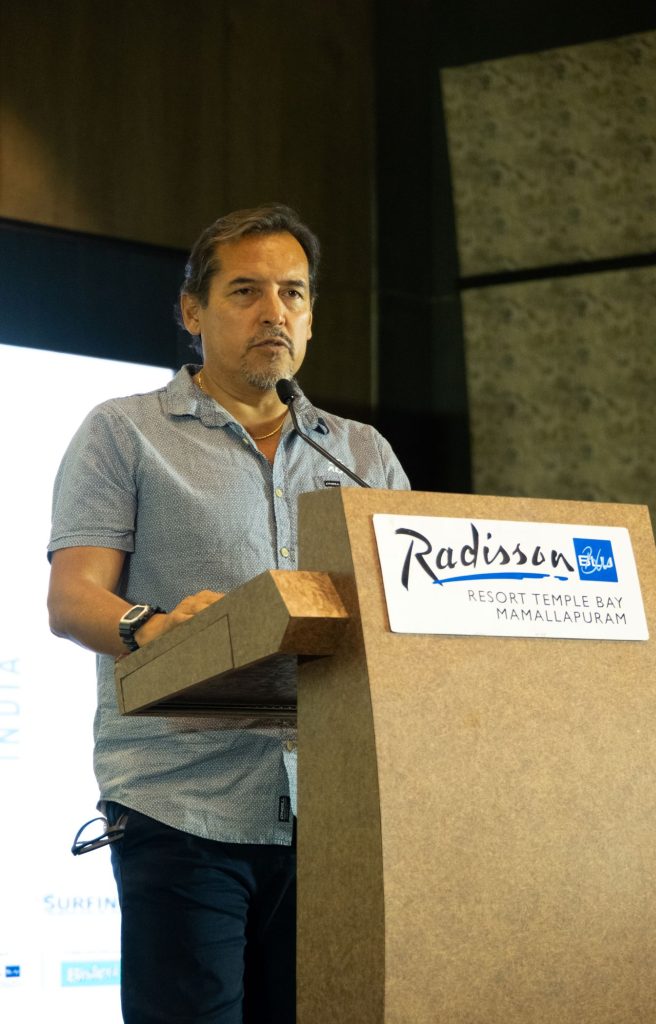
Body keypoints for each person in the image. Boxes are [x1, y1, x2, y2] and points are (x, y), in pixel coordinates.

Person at [47, 203, 410, 1024]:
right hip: (183, 801)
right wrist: (155, 628)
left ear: (311, 317)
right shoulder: (124, 433)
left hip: (337, 808)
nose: (273, 311)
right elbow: (73, 599)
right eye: (246, 291)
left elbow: (402, 617)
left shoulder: (361, 454)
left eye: (292, 293)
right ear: (191, 310)